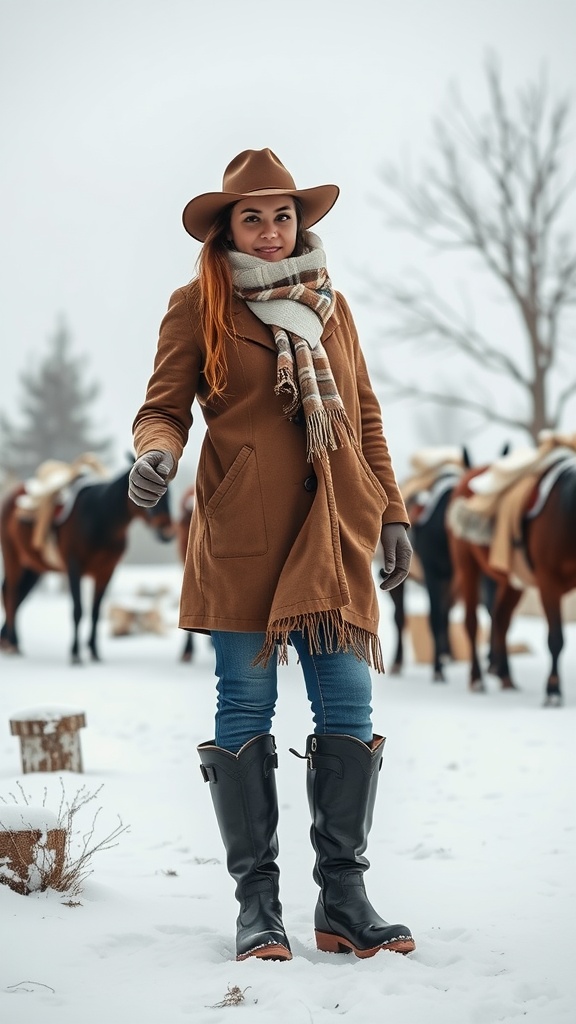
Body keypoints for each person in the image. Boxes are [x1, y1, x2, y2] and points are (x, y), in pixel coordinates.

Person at [129, 148, 415, 963]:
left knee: (350, 710)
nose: (269, 230)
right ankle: (259, 906)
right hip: (242, 535)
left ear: (300, 223)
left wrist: (390, 512)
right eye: (251, 217)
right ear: (227, 228)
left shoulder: (333, 305)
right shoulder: (199, 304)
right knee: (245, 709)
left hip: (331, 533)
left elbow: (363, 415)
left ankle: (344, 902)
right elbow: (162, 409)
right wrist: (155, 456)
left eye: (282, 215)